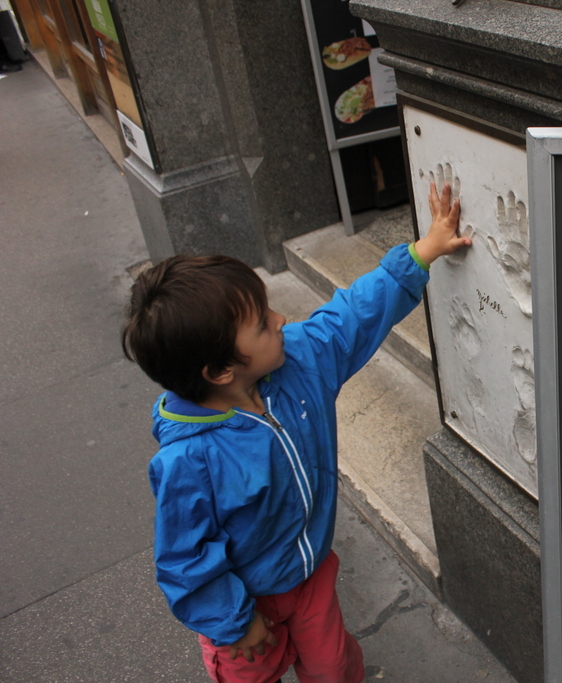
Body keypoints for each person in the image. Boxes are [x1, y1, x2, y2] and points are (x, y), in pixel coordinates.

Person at [121, 182, 470, 683]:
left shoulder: (297, 362)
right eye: (263, 324)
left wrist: (421, 253)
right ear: (219, 371)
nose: (281, 319)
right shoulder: (187, 461)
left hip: (310, 581)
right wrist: (234, 623)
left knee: (334, 669)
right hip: (244, 605)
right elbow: (184, 558)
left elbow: (350, 318)